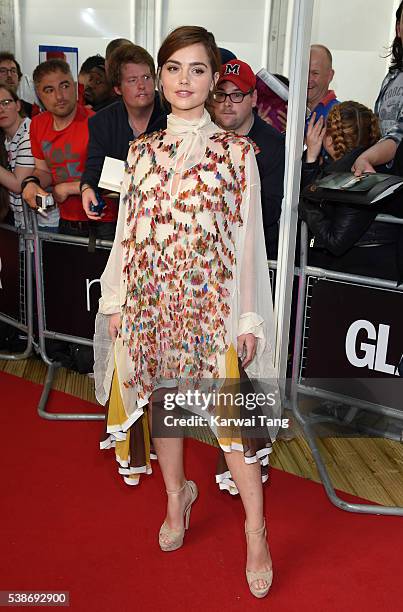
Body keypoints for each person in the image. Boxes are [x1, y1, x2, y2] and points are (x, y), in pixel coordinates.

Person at [94, 25, 279, 599]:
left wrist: (248, 318)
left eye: (197, 69)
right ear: (159, 75)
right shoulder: (139, 154)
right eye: (173, 67)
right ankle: (178, 501)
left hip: (212, 308)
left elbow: (250, 242)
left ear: (213, 77)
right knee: (165, 410)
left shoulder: (238, 154)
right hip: (152, 304)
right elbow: (128, 234)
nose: (183, 80)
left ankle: (256, 531)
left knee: (231, 429)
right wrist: (118, 301)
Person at [299, 101, 399, 280]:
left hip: (358, 275)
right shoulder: (374, 165)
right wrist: (312, 159)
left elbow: (335, 240)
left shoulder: (353, 174)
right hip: (374, 272)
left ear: (329, 138)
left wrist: (303, 205)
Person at [21, 59, 118, 238]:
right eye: (49, 90)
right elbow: (43, 170)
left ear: (74, 86)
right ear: (39, 96)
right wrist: (32, 183)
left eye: (64, 86)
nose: (59, 96)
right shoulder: (37, 125)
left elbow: (115, 178)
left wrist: (67, 188)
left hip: (103, 223)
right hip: (66, 220)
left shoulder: (97, 122)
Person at [80, 44, 166, 222]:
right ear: (118, 88)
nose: (142, 85)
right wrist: (86, 188)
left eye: (147, 77)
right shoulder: (102, 122)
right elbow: (94, 165)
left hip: (167, 213)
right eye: (132, 80)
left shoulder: (173, 114)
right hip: (124, 217)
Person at [213, 58, 285, 259]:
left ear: (253, 99)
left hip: (255, 255)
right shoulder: (203, 137)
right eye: (220, 94)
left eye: (237, 95)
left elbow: (270, 211)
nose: (227, 103)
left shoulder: (273, 144)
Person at [353, 1, 403, 175]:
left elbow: (399, 135)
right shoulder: (392, 77)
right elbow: (380, 130)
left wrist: (367, 158)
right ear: (398, 29)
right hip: (383, 177)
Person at [306, 44, 339, 125]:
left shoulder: (338, 115)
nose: (308, 79)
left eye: (315, 73)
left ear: (330, 76)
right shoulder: (291, 108)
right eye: (305, 72)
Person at [0, 52, 33, 118]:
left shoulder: (30, 109)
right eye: (3, 71)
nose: (9, 75)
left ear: (19, 79)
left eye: (13, 71)